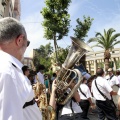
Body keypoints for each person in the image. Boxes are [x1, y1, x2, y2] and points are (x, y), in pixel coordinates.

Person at [0, 17, 42, 120]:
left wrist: (30, 103)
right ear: (19, 40)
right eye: (27, 43)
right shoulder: (9, 73)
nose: (26, 47)